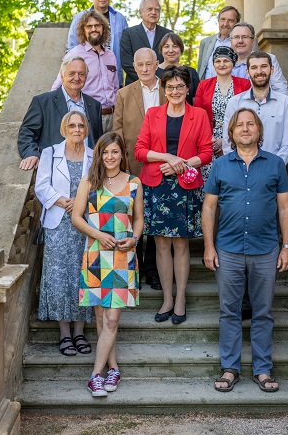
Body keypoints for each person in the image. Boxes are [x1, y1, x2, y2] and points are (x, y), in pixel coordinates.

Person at [202, 108, 288, 393]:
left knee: (263, 312)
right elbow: (209, 207)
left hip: (266, 249)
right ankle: (230, 369)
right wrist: (208, 246)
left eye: (250, 124)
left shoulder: (275, 164)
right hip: (227, 250)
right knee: (229, 312)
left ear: (258, 130)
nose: (245, 128)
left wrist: (286, 247)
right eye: (239, 125)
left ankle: (263, 370)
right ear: (231, 133)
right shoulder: (220, 165)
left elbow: (285, 207)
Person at [134, 66, 213, 325]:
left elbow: (206, 153)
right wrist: (167, 157)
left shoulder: (199, 115)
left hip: (184, 187)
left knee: (180, 244)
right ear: (164, 90)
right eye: (170, 87)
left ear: (187, 88)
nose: (175, 91)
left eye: (180, 86)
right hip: (156, 185)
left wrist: (181, 163)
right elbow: (140, 150)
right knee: (160, 244)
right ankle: (167, 298)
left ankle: (180, 299)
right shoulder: (153, 114)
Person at [72, 132, 143, 397]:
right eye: (106, 152)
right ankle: (112, 369)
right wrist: (99, 234)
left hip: (124, 257)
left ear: (122, 154)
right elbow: (77, 218)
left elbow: (138, 219)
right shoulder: (88, 183)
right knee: (101, 318)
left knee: (112, 318)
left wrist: (134, 239)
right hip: (95, 255)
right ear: (99, 155)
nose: (110, 157)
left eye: (115, 152)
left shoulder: (134, 183)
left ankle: (94, 377)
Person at [35, 111, 93, 356]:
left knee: (83, 274)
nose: (77, 129)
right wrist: (62, 201)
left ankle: (80, 333)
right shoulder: (50, 153)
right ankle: (65, 335)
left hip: (86, 222)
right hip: (58, 223)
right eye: (72, 125)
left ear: (86, 129)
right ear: (64, 128)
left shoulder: (94, 155)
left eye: (81, 125)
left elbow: (100, 184)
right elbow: (41, 186)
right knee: (59, 277)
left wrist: (81, 202)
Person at [113, 48, 166, 290]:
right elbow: (118, 132)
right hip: (133, 165)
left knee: (155, 219)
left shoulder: (170, 89)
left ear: (157, 64)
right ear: (134, 67)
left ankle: (152, 270)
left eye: (149, 64)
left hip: (163, 166)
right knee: (133, 217)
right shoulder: (124, 94)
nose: (145, 69)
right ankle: (133, 266)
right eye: (140, 65)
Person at [18, 57, 102, 171]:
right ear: (62, 76)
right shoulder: (42, 102)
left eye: (81, 74)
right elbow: (27, 132)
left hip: (88, 171)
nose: (77, 78)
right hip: (54, 169)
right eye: (71, 73)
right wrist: (31, 153)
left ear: (86, 77)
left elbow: (98, 141)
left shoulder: (94, 105)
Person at [222, 51, 288, 164]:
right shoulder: (235, 103)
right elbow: (228, 142)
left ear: (272, 70)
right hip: (240, 172)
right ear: (247, 72)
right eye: (254, 67)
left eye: (264, 66)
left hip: (273, 171)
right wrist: (239, 168)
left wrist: (272, 168)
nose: (259, 72)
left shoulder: (285, 103)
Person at [52, 10, 119, 133]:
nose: (94, 29)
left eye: (97, 25)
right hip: (87, 117)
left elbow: (115, 87)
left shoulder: (111, 55)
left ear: (103, 29)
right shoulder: (75, 54)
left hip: (112, 118)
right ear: (83, 30)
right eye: (89, 26)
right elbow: (58, 86)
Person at [194, 46, 251, 182]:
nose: (222, 64)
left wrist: (226, 140)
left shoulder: (245, 84)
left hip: (236, 137)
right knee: (210, 179)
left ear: (233, 63)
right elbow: (198, 115)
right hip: (209, 139)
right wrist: (211, 139)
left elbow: (249, 113)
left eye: (226, 61)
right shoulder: (204, 85)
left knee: (233, 177)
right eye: (218, 61)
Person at [67, 0, 128, 88]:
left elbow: (126, 48)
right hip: (88, 80)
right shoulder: (79, 18)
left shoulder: (120, 19)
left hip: (113, 79)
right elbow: (72, 46)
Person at [120, 0, 171, 85]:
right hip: (135, 85)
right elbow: (126, 62)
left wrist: (157, 80)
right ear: (140, 13)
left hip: (161, 85)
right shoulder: (129, 33)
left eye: (157, 10)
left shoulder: (167, 34)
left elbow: (170, 60)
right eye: (149, 9)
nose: (153, 12)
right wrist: (146, 79)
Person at [229, 22, 288, 96]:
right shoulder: (221, 64)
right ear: (230, 41)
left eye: (245, 37)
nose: (240, 41)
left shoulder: (268, 59)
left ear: (253, 41)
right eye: (236, 37)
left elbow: (280, 89)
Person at [197, 6, 241, 80]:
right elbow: (200, 70)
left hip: (235, 89)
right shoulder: (205, 42)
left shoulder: (244, 42)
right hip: (207, 89)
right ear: (218, 21)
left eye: (230, 20)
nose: (225, 24)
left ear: (237, 23)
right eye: (223, 19)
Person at [156, 32, 199, 103]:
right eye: (166, 46)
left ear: (181, 49)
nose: (171, 50)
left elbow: (196, 100)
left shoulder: (191, 72)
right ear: (161, 49)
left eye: (175, 46)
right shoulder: (154, 71)